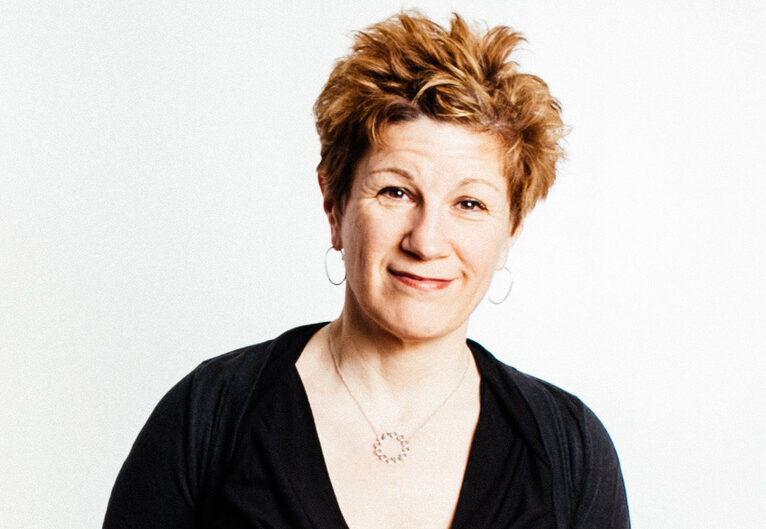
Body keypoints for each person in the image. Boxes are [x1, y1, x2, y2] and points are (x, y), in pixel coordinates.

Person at [103, 11, 629, 529]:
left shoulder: (569, 449)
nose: (426, 241)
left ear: (510, 231)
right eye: (395, 192)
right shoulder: (212, 415)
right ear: (335, 205)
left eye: (470, 203)